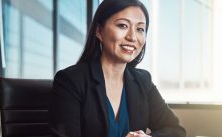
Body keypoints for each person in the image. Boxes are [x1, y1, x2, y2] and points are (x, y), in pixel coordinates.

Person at [49, 0, 186, 137]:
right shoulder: (70, 80)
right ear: (99, 31)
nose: (132, 37)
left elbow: (175, 130)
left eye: (140, 29)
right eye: (122, 25)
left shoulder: (143, 81)